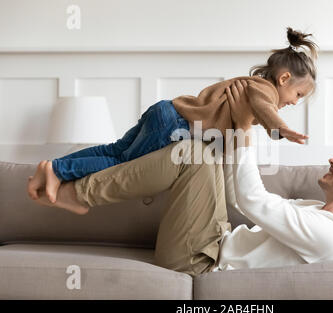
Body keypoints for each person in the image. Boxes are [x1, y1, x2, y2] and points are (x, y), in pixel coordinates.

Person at [32, 81, 333, 276]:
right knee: (200, 148)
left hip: (200, 260)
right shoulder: (317, 211)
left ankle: (80, 194)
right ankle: (71, 184)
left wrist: (243, 129)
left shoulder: (332, 236)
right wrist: (228, 130)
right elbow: (241, 201)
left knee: (192, 154)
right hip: (213, 237)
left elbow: (253, 201)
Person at [27, 26, 316, 204]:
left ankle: (53, 166)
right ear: (284, 78)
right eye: (298, 95)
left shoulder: (248, 85)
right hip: (175, 125)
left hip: (167, 111)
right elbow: (265, 108)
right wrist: (280, 129)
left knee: (115, 148)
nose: (294, 102)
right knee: (122, 162)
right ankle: (58, 171)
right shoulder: (263, 90)